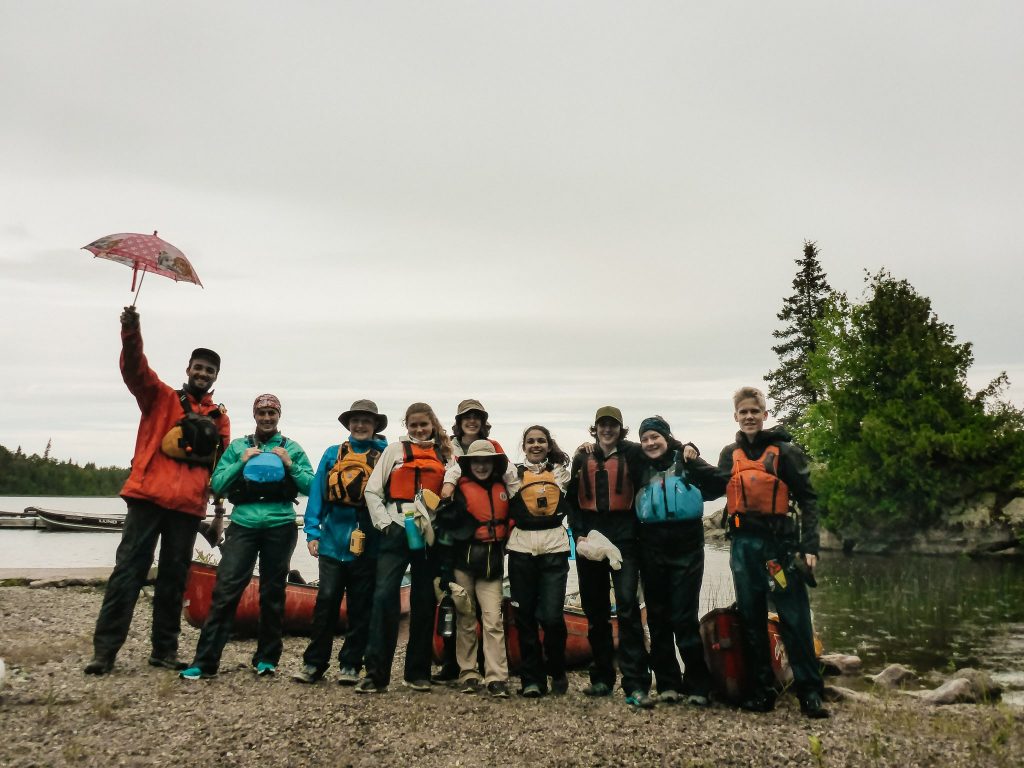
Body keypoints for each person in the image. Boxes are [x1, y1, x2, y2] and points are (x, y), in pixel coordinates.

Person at [85, 306, 230, 675]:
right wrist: (131, 329)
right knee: (127, 574)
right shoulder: (159, 396)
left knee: (173, 581)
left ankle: (163, 651)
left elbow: (221, 469)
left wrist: (217, 515)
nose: (203, 373)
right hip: (147, 498)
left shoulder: (220, 418)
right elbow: (134, 368)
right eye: (198, 367)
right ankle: (105, 653)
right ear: (188, 370)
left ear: (215, 377)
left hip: (187, 508)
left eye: (209, 370)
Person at [179, 394, 313, 679]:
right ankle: (205, 662)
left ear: (279, 416)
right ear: (255, 415)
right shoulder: (239, 446)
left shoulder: (292, 448)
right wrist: (241, 461)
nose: (267, 418)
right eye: (262, 412)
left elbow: (312, 486)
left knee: (272, 592)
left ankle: (266, 659)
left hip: (281, 525)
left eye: (271, 413)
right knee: (226, 590)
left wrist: (290, 464)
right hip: (243, 524)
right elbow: (217, 484)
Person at [717, 387, 829, 718]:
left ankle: (810, 692)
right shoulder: (729, 454)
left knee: (794, 618)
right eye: (743, 412)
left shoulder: (785, 451)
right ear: (735, 416)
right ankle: (761, 690)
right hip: (742, 547)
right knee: (750, 619)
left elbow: (809, 499)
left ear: (765, 415)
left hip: (779, 547)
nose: (749, 416)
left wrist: (810, 545)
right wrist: (687, 457)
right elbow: (713, 483)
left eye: (755, 411)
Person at [356, 403, 453, 694]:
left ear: (433, 424)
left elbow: (455, 476)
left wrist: (448, 483)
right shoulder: (394, 452)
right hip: (397, 526)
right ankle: (376, 674)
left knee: (424, 600)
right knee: (385, 595)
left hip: (428, 532)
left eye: (424, 424)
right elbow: (373, 490)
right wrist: (384, 524)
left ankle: (417, 672)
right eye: (413, 425)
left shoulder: (445, 454)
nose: (419, 430)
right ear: (406, 427)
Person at [293, 400, 388, 685]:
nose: (360, 425)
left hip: (369, 542)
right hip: (333, 542)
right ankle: (314, 664)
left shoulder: (386, 455)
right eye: (356, 420)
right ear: (349, 424)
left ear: (374, 426)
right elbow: (318, 494)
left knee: (361, 605)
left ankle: (350, 664)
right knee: (326, 602)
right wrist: (312, 533)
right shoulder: (332, 454)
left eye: (366, 421)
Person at [633, 416, 725, 706]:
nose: (650, 443)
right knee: (658, 618)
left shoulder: (686, 460)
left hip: (687, 546)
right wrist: (588, 446)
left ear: (667, 437)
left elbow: (720, 481)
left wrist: (693, 455)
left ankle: (697, 683)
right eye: (645, 438)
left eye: (655, 437)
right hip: (650, 546)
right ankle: (668, 683)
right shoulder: (638, 465)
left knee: (684, 618)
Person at [565, 406, 653, 708]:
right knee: (596, 611)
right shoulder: (582, 457)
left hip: (625, 537)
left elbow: (665, 447)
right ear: (595, 428)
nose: (607, 429)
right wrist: (577, 532)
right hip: (591, 538)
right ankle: (601, 678)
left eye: (612, 425)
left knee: (627, 608)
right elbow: (571, 500)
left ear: (620, 428)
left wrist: (688, 448)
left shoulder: (633, 453)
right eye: (602, 425)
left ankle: (636, 684)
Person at [435, 440, 512, 698]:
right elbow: (445, 531)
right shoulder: (459, 490)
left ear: (493, 463)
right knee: (465, 620)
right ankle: (468, 672)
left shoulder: (504, 488)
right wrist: (445, 571)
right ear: (469, 464)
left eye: (486, 461)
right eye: (476, 461)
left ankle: (496, 677)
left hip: (492, 564)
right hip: (463, 563)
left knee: (493, 620)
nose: (481, 466)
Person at [505, 425, 572, 698]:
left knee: (552, 617)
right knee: (525, 617)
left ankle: (556, 668)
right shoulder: (512, 475)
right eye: (531, 441)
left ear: (548, 444)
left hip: (554, 547)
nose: (535, 445)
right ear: (524, 445)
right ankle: (531, 679)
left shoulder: (561, 474)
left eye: (541, 441)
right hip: (521, 549)